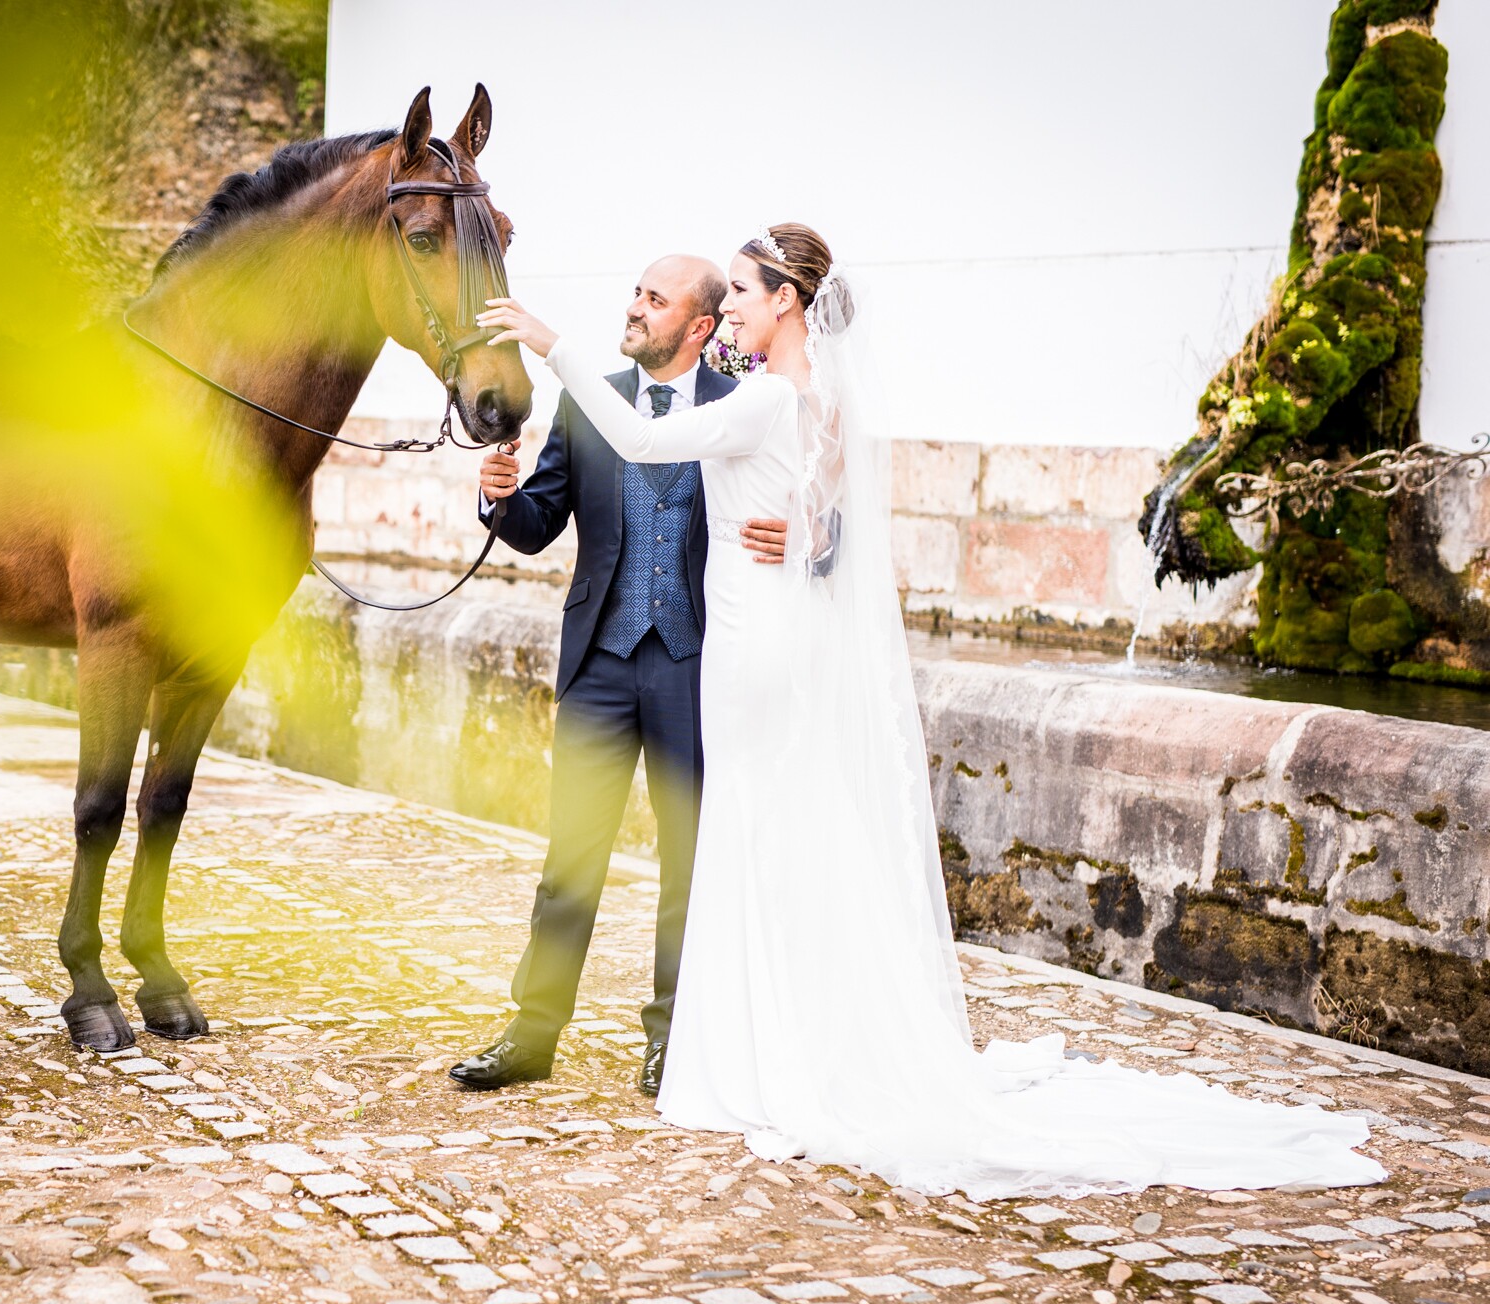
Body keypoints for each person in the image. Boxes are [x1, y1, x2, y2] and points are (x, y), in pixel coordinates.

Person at [472, 223, 1384, 1199]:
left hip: (731, 647)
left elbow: (716, 470)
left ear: (780, 301)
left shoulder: (761, 395)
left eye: (736, 290)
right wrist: (794, 531)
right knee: (709, 838)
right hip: (702, 642)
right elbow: (810, 509)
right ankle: (694, 1037)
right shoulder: (799, 396)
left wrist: (548, 340)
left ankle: (724, 1050)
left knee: (728, 843)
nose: (725, 306)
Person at [449, 255, 789, 1097]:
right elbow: (537, 524)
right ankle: (532, 1033)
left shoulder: (741, 403)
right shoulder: (587, 399)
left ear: (700, 326)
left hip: (695, 666)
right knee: (570, 857)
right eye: (635, 292)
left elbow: (813, 499)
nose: (633, 308)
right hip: (599, 660)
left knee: (689, 863)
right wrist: (500, 496)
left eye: (654, 299)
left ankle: (675, 1039)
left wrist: (810, 534)